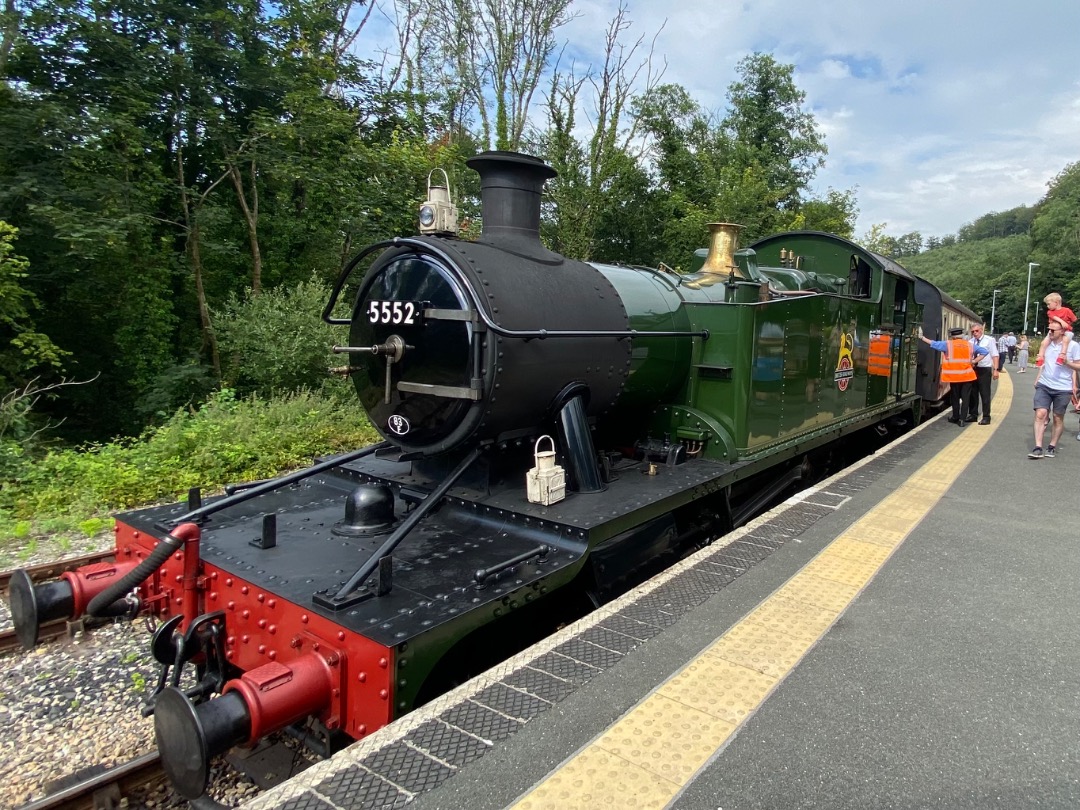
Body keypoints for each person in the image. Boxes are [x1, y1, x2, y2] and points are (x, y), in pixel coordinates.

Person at [1029, 320, 1080, 458]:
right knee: (1040, 413)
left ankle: (1052, 445)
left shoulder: (1073, 346)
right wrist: (1038, 378)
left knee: (1057, 418)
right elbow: (1044, 364)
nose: (1049, 333)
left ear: (1062, 331)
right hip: (1044, 384)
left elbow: (1078, 366)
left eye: (1053, 331)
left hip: (1063, 387)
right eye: (1049, 330)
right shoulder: (1047, 344)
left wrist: (1067, 363)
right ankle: (1038, 446)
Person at [919, 327, 985, 424]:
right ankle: (962, 420)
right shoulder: (970, 345)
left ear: (952, 337)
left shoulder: (948, 345)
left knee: (955, 398)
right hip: (967, 377)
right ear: (962, 336)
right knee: (966, 398)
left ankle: (955, 417)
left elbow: (933, 343)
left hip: (954, 377)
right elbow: (984, 352)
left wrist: (922, 337)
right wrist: (974, 361)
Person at [966, 323, 999, 424]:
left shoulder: (989, 340)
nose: (975, 333)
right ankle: (973, 414)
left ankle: (986, 416)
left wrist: (996, 369)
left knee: (985, 393)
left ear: (981, 330)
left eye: (977, 331)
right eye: (973, 332)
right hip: (973, 369)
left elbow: (995, 355)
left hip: (984, 369)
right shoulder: (970, 341)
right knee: (972, 393)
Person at [1035, 292, 1076, 366]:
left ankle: (1062, 355)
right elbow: (1055, 317)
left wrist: (1068, 324)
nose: (1047, 306)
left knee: (1065, 340)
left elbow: (1074, 319)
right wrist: (1063, 322)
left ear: (1056, 303)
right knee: (1044, 342)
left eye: (1049, 304)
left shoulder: (1067, 311)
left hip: (1066, 331)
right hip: (1054, 331)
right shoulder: (1050, 312)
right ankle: (1040, 356)